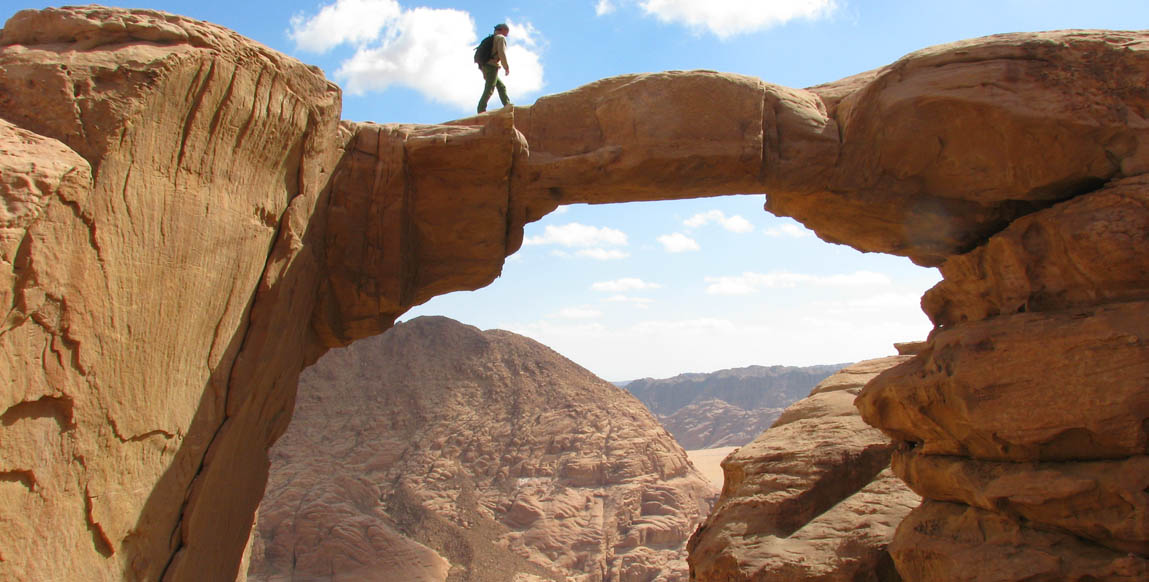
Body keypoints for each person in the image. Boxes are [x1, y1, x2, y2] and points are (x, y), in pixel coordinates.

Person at [477, 23, 511, 113]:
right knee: (489, 88)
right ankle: (481, 109)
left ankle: (507, 105)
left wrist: (483, 71)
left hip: (485, 65)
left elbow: (480, 58)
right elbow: (502, 53)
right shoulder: (500, 38)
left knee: (501, 86)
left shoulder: (490, 39)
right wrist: (506, 67)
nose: (507, 34)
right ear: (503, 29)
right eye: (507, 31)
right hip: (492, 66)